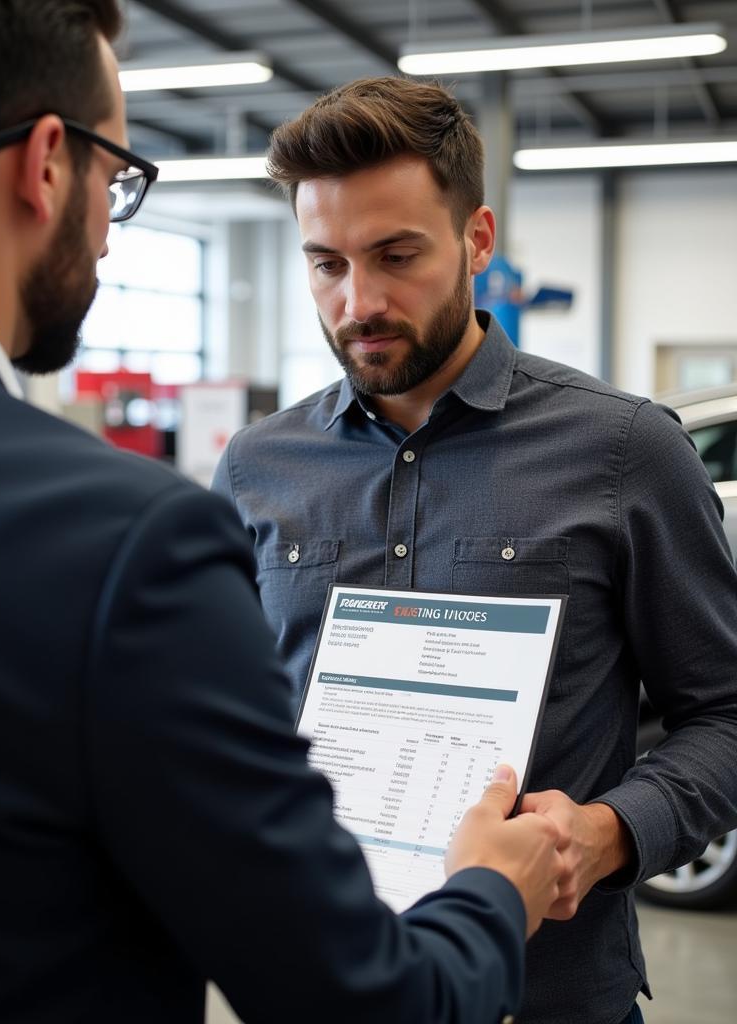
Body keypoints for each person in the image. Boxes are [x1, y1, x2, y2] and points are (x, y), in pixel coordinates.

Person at [0, 4, 567, 1022]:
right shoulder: (123, 540)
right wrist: (488, 889)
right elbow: (366, 1002)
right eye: (115, 178)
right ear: (44, 163)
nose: (110, 240)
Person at [211, 74, 737, 1024]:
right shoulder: (256, 468)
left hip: (551, 1000)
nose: (358, 302)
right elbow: (229, 721)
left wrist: (610, 832)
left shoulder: (623, 452)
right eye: (325, 263)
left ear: (477, 241)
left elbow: (729, 715)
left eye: (396, 254)